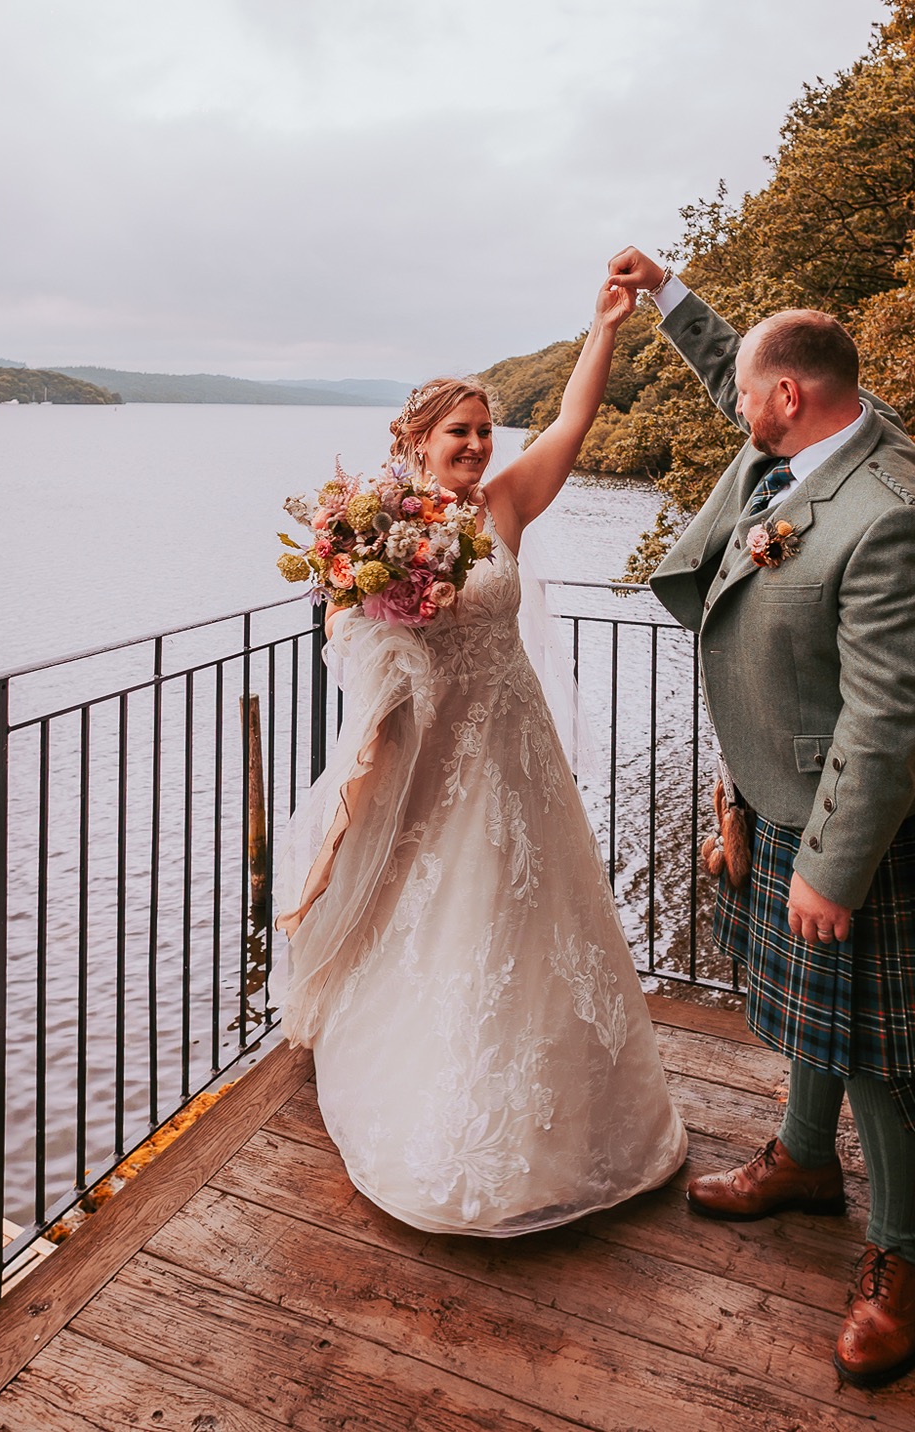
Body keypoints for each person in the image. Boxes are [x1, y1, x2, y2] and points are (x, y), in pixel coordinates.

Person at [609, 245, 915, 1388]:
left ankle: (901, 1254)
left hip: (839, 825)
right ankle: (806, 1162)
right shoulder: (826, 423)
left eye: (751, 396)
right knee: (809, 1021)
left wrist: (833, 866)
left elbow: (890, 714)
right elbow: (742, 375)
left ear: (790, 400)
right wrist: (669, 297)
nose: (738, 408)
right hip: (775, 794)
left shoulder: (887, 516)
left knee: (871, 1050)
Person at [274, 278, 688, 1237]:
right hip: (435, 753)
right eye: (456, 432)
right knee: (443, 916)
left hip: (516, 747)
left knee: (533, 917)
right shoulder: (379, 533)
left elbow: (574, 426)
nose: (473, 446)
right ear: (416, 442)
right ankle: (446, 1113)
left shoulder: (498, 510)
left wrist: (606, 329)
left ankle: (573, 1123)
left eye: (483, 430)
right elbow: (351, 636)